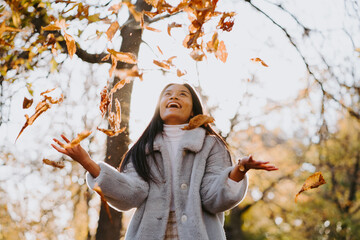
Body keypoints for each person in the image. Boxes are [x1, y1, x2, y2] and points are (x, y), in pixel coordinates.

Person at [52, 83, 278, 240]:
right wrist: (87, 163)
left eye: (182, 94)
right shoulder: (142, 148)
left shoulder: (211, 144)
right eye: (167, 93)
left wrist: (239, 170)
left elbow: (213, 198)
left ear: (194, 110)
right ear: (158, 106)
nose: (173, 97)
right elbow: (131, 193)